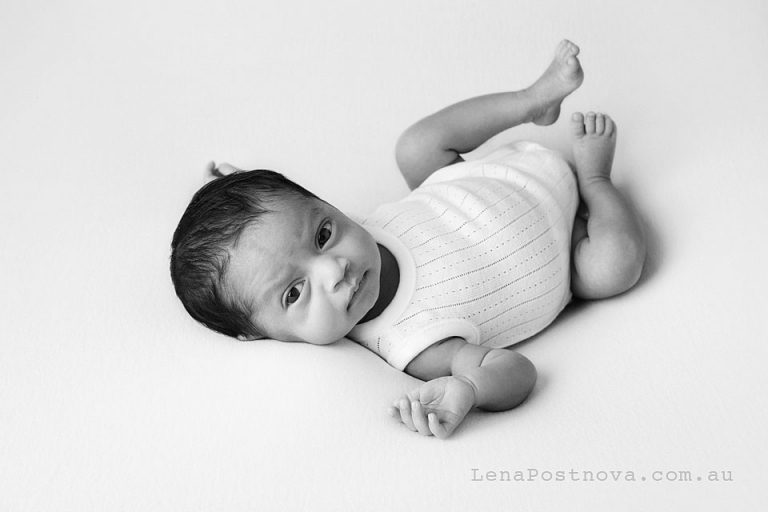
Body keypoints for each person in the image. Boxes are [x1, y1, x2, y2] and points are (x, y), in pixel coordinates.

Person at [170, 40, 646, 438]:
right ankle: (597, 180)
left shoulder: (351, 237)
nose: (334, 269)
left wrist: (239, 185)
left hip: (487, 173)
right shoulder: (413, 345)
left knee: (415, 146)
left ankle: (532, 100)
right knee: (616, 266)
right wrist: (472, 389)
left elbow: (281, 228)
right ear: (259, 334)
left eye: (322, 233)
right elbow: (517, 371)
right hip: (567, 247)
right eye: (294, 292)